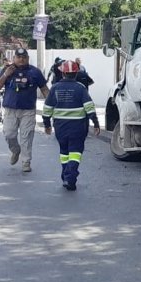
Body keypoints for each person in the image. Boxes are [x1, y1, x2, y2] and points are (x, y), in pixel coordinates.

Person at [42, 60, 101, 191]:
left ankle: (65, 175)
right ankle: (70, 177)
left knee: (64, 152)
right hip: (78, 127)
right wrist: (95, 122)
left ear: (62, 73)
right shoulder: (80, 88)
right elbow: (89, 107)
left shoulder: (55, 88)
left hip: (60, 128)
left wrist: (47, 124)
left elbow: (47, 109)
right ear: (76, 73)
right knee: (75, 152)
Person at [0, 47, 49, 172]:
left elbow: (44, 89)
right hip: (10, 110)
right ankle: (15, 150)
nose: (21, 59)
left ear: (28, 58)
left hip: (28, 110)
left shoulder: (35, 72)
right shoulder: (7, 70)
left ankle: (26, 162)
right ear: (14, 58)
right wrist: (6, 75)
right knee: (9, 134)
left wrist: (51, 104)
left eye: (24, 57)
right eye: (18, 57)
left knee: (27, 136)